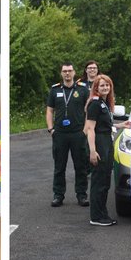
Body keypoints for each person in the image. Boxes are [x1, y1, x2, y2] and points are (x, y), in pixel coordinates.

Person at [46, 62, 89, 208]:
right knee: (59, 167)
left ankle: (82, 195)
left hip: (78, 133)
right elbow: (49, 111)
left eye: (70, 71)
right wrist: (51, 129)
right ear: (61, 73)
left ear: (74, 72)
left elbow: (89, 110)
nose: (67, 74)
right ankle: (58, 195)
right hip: (60, 134)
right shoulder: (55, 90)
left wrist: (86, 129)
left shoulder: (83, 90)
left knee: (81, 167)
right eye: (64, 71)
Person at [85, 73, 117, 226]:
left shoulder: (104, 103)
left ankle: (103, 213)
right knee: (98, 181)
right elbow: (90, 129)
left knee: (105, 180)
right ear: (96, 88)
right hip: (99, 143)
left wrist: (120, 126)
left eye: (107, 85)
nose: (105, 87)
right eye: (102, 85)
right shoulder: (95, 104)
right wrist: (92, 151)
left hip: (106, 141)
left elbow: (105, 124)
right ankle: (96, 217)